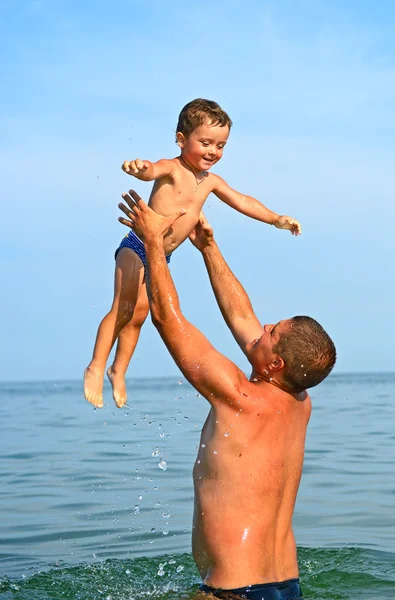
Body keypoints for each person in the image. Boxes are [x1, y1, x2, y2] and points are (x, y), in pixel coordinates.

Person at [117, 189, 336, 600]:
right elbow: (241, 315)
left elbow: (168, 319)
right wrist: (209, 249)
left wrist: (152, 244)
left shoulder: (240, 397)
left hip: (232, 593)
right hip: (286, 587)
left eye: (272, 332)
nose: (264, 326)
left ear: (275, 366)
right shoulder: (299, 403)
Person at [84, 98, 301, 409]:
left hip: (161, 257)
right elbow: (151, 170)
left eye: (221, 145)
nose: (213, 151)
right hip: (136, 245)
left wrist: (276, 219)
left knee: (139, 316)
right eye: (205, 143)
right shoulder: (173, 168)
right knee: (123, 308)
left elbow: (242, 200)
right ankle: (95, 366)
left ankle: (118, 370)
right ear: (181, 139)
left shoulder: (210, 181)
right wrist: (139, 169)